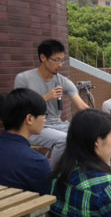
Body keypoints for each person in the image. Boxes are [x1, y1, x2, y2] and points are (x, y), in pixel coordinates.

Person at [14, 39, 89, 169]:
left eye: (62, 60)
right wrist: (45, 98)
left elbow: (82, 106)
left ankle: (77, 173)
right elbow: (18, 109)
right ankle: (52, 177)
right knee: (64, 140)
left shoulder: (62, 81)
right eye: (56, 60)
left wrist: (103, 121)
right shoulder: (24, 78)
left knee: (89, 134)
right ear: (43, 57)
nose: (60, 64)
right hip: (32, 127)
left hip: (58, 125)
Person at [0, 89, 51, 195]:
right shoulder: (37, 163)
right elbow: (46, 203)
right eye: (44, 115)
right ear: (29, 119)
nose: (45, 120)